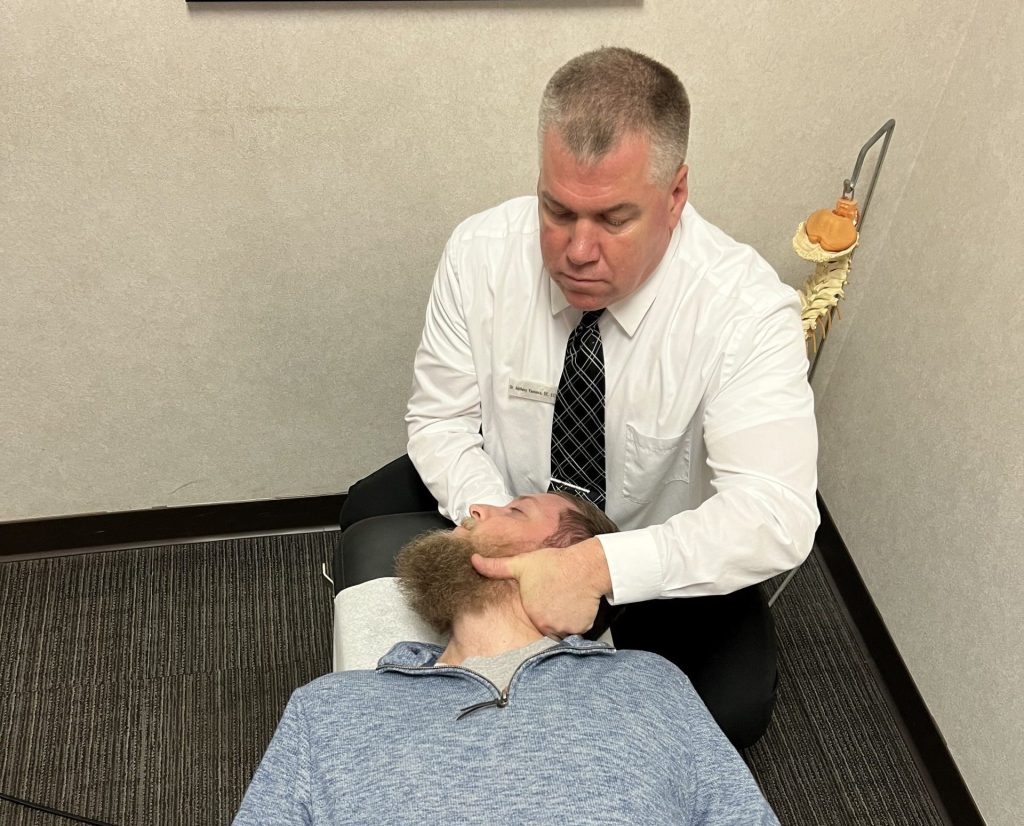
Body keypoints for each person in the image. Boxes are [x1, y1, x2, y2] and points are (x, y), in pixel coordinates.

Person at [343, 47, 818, 748]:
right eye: (556, 210)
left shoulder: (744, 311)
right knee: (366, 514)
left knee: (732, 707)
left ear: (676, 195)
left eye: (613, 219)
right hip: (516, 500)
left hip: (649, 550)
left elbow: (777, 515)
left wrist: (592, 567)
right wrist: (496, 522)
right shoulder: (481, 253)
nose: (577, 250)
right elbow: (441, 419)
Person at [237, 493, 780, 825]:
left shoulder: (646, 683)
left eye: (514, 510)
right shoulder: (330, 708)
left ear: (564, 560)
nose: (474, 507)